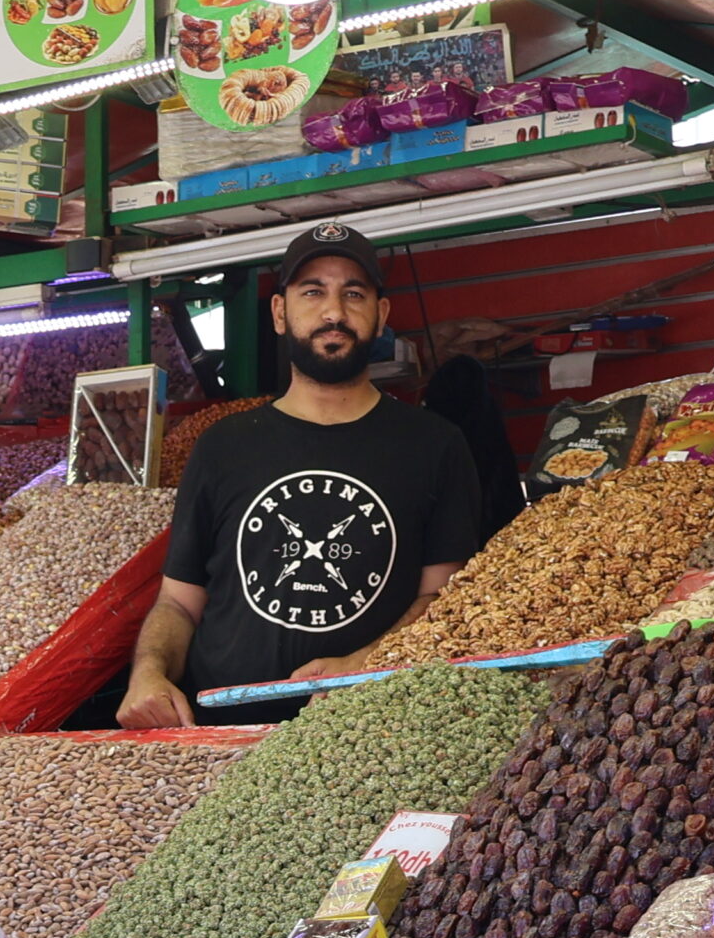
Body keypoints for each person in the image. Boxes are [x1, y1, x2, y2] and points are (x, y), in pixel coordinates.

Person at [117, 222, 483, 727]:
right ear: (279, 313)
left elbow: (443, 599)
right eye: (312, 292)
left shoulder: (435, 445)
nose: (334, 312)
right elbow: (178, 602)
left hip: (368, 733)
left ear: (381, 315)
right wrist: (148, 673)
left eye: (353, 294)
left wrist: (364, 664)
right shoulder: (223, 446)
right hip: (219, 732)